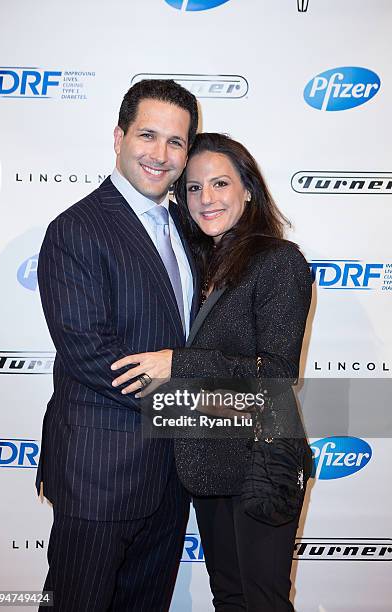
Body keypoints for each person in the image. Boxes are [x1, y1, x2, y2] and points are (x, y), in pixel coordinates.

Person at [111, 132, 312, 611]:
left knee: (262, 602)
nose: (207, 199)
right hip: (208, 462)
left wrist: (178, 365)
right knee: (229, 598)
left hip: (262, 460)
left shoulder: (279, 261)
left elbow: (278, 373)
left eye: (220, 184)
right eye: (194, 188)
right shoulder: (199, 265)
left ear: (249, 190)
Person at [36, 79, 200, 611]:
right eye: (147, 135)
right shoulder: (77, 228)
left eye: (176, 142)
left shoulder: (186, 223)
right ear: (118, 136)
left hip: (169, 479)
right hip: (100, 475)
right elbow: (92, 356)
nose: (161, 154)